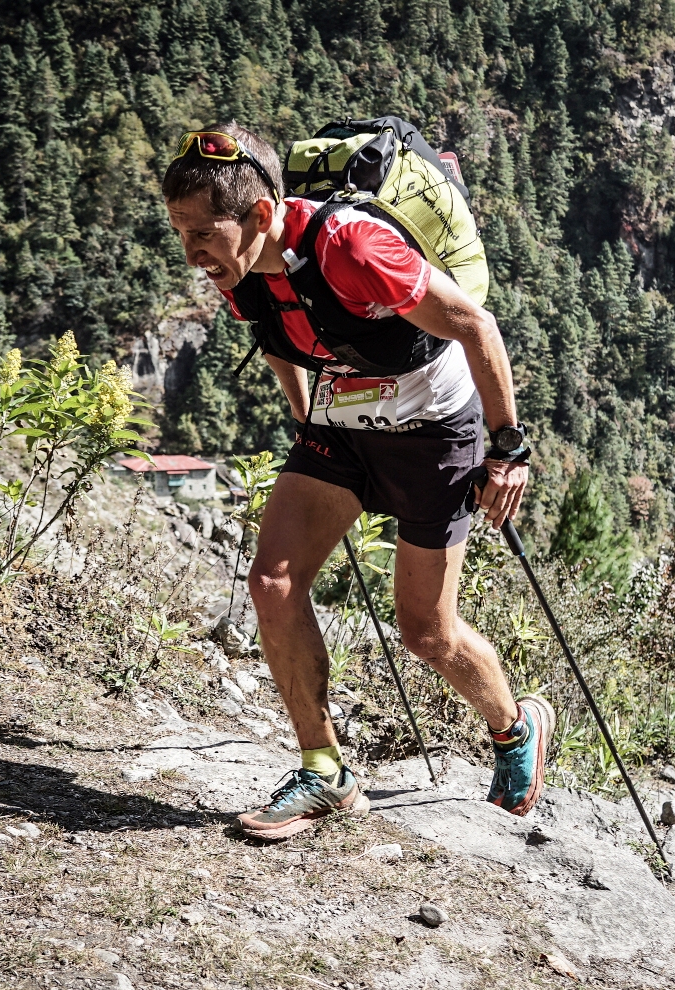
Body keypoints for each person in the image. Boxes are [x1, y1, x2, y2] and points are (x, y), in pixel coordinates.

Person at [162, 122, 554, 840]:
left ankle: (514, 726)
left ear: (257, 216)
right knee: (273, 582)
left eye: (201, 233)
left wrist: (509, 450)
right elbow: (277, 339)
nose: (192, 253)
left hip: (434, 428)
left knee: (427, 633)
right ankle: (325, 772)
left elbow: (474, 324)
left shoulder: (349, 247)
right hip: (341, 423)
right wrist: (306, 422)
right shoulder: (238, 267)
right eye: (179, 232)